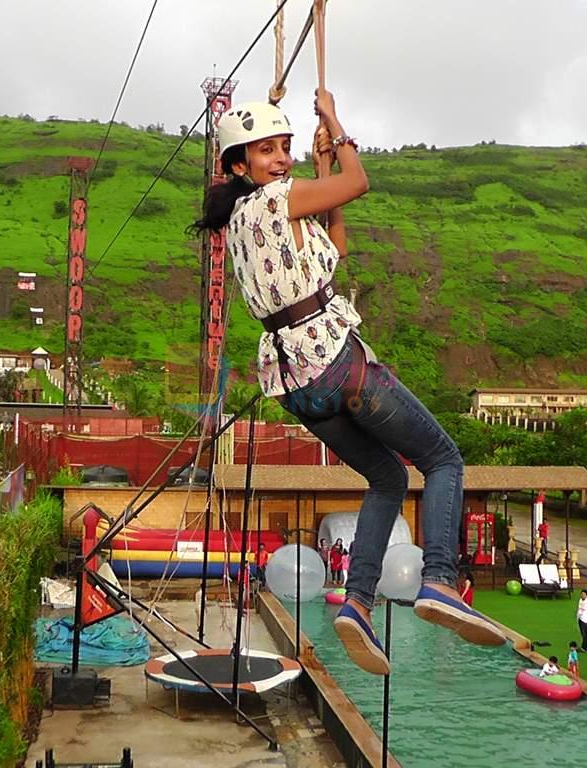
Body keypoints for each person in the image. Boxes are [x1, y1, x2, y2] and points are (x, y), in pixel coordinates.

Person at [191, 90, 504, 675]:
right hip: (337, 360)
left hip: (299, 383)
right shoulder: (278, 200)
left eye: (284, 148)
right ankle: (438, 579)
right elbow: (359, 183)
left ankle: (357, 601)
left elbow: (334, 246)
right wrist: (335, 126)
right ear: (238, 164)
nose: (280, 159)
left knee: (386, 477)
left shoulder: (239, 223)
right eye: (266, 150)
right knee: (443, 460)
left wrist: (320, 168)